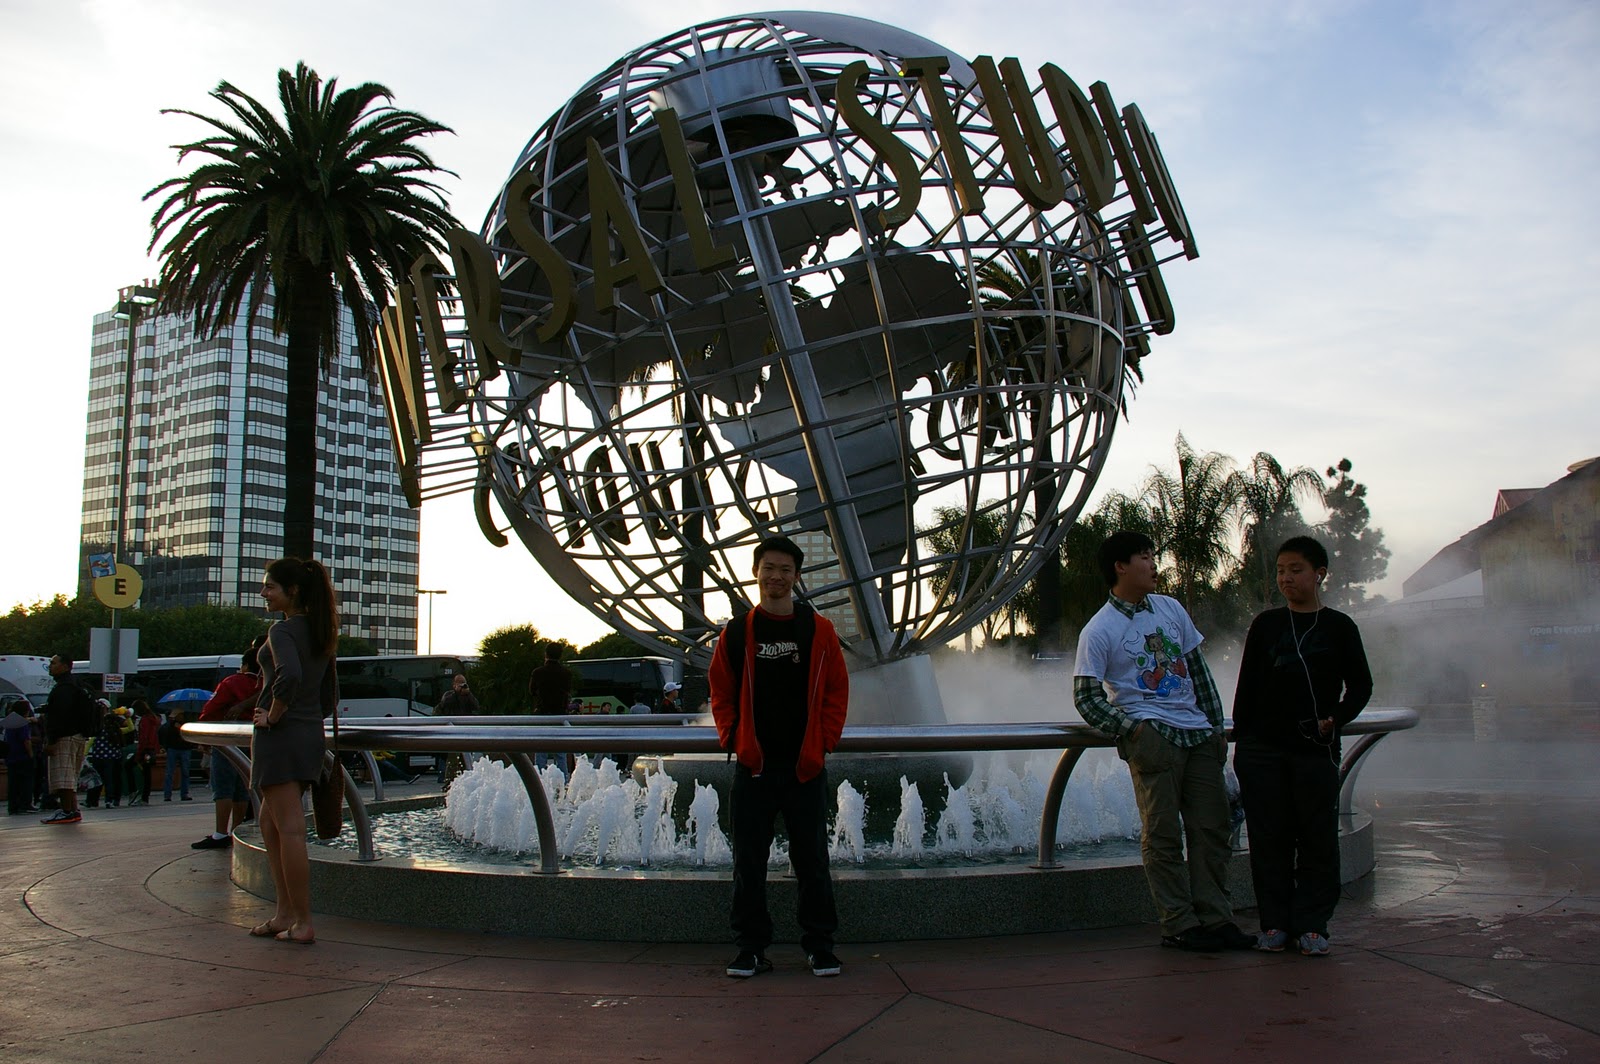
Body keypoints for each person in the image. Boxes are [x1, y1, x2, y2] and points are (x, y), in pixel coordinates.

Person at [1072, 531, 1255, 952]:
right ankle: (1178, 923)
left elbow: (1198, 672)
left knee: (1212, 829)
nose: (1153, 563)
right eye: (1144, 556)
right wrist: (1134, 730)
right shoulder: (1099, 629)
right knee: (1163, 835)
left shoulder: (1170, 609)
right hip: (1155, 739)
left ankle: (1216, 918)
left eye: (1152, 555)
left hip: (1196, 735)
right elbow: (1086, 696)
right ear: (1121, 566)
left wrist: (1214, 728)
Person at [709, 535, 849, 979]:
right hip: (754, 767)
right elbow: (721, 691)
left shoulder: (819, 629)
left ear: (796, 576)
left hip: (805, 766)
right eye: (769, 568)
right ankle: (750, 947)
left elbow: (836, 691)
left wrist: (824, 742)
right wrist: (733, 737)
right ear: (756, 572)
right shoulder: (735, 632)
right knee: (748, 864)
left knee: (813, 862)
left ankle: (820, 946)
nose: (776, 577)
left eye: (785, 570)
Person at [1232, 535, 1373, 957]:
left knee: (1316, 839)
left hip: (1314, 749)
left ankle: (1312, 924)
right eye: (1280, 570)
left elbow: (1361, 685)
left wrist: (1338, 718)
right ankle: (1274, 923)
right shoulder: (1266, 626)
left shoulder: (1339, 627)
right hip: (1263, 752)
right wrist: (1243, 745)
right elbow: (1247, 688)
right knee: (1269, 838)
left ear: (1319, 574)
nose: (1286, 578)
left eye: (1295, 570)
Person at [249, 557, 340, 946]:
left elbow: (290, 676)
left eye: (270, 586)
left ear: (293, 591)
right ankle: (285, 912)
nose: (264, 593)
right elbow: (329, 695)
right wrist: (305, 719)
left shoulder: (283, 631)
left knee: (289, 829)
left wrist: (274, 715)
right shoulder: (322, 631)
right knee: (271, 824)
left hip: (281, 737)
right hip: (308, 736)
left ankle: (301, 920)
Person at [193, 637, 265, 849]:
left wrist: (203, 734)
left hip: (228, 740)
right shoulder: (265, 685)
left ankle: (220, 832)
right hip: (253, 738)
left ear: (244, 664)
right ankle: (237, 830)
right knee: (242, 787)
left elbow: (211, 708)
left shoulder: (232, 682)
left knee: (223, 786)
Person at [40, 653, 98, 824]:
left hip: (64, 737)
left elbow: (60, 716)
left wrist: (51, 741)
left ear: (65, 666)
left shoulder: (63, 688)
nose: (50, 666)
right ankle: (73, 810)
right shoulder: (79, 685)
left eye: (53, 663)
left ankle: (67, 811)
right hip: (80, 735)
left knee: (62, 777)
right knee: (71, 776)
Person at [529, 643, 571, 772]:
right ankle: (563, 783)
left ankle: (541, 782)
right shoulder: (566, 673)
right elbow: (568, 691)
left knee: (541, 752)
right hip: (560, 715)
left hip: (542, 715)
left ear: (546, 654)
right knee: (560, 754)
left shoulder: (538, 672)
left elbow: (532, 691)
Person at [433, 674, 480, 783]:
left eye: (463, 683)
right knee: (450, 758)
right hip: (451, 731)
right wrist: (457, 692)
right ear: (454, 685)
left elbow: (476, 706)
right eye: (459, 684)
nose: (462, 686)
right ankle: (447, 781)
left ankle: (465, 779)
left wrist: (468, 693)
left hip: (465, 732)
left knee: (466, 757)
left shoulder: (468, 696)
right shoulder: (449, 695)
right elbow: (445, 703)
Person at [86, 709, 125, 809]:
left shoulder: (99, 730)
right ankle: (110, 800)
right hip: (113, 758)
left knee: (96, 780)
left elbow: (91, 740)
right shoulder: (117, 731)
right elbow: (130, 729)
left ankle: (92, 801)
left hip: (98, 758)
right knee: (111, 780)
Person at [4, 700, 36, 814]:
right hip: (22, 756)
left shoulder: (9, 721)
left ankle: (13, 806)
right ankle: (25, 804)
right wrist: (31, 754)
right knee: (26, 781)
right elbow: (26, 740)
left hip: (11, 755)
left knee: (13, 783)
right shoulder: (22, 723)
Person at [159, 705, 195, 801]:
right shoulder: (169, 726)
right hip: (173, 748)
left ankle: (184, 793)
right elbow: (165, 735)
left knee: (185, 772)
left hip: (184, 748)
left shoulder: (186, 725)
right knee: (170, 772)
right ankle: (167, 794)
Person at [131, 699, 160, 806]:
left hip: (145, 749)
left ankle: (134, 790)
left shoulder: (145, 720)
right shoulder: (153, 718)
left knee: (129, 765)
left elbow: (143, 737)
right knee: (147, 774)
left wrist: (139, 752)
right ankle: (145, 797)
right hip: (151, 749)